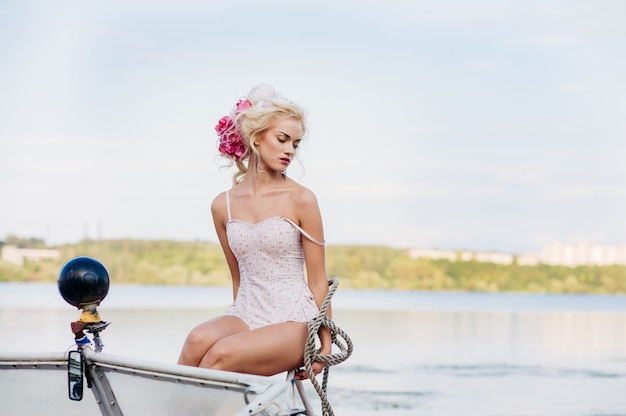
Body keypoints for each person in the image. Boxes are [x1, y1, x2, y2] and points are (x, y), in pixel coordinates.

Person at [177, 84, 331, 379]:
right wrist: (237, 323)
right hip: (246, 314)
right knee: (197, 340)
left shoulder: (302, 199)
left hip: (294, 322)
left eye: (295, 144)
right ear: (256, 138)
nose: (290, 150)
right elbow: (238, 277)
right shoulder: (223, 206)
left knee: (220, 356)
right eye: (283, 139)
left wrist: (325, 345)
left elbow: (318, 279)